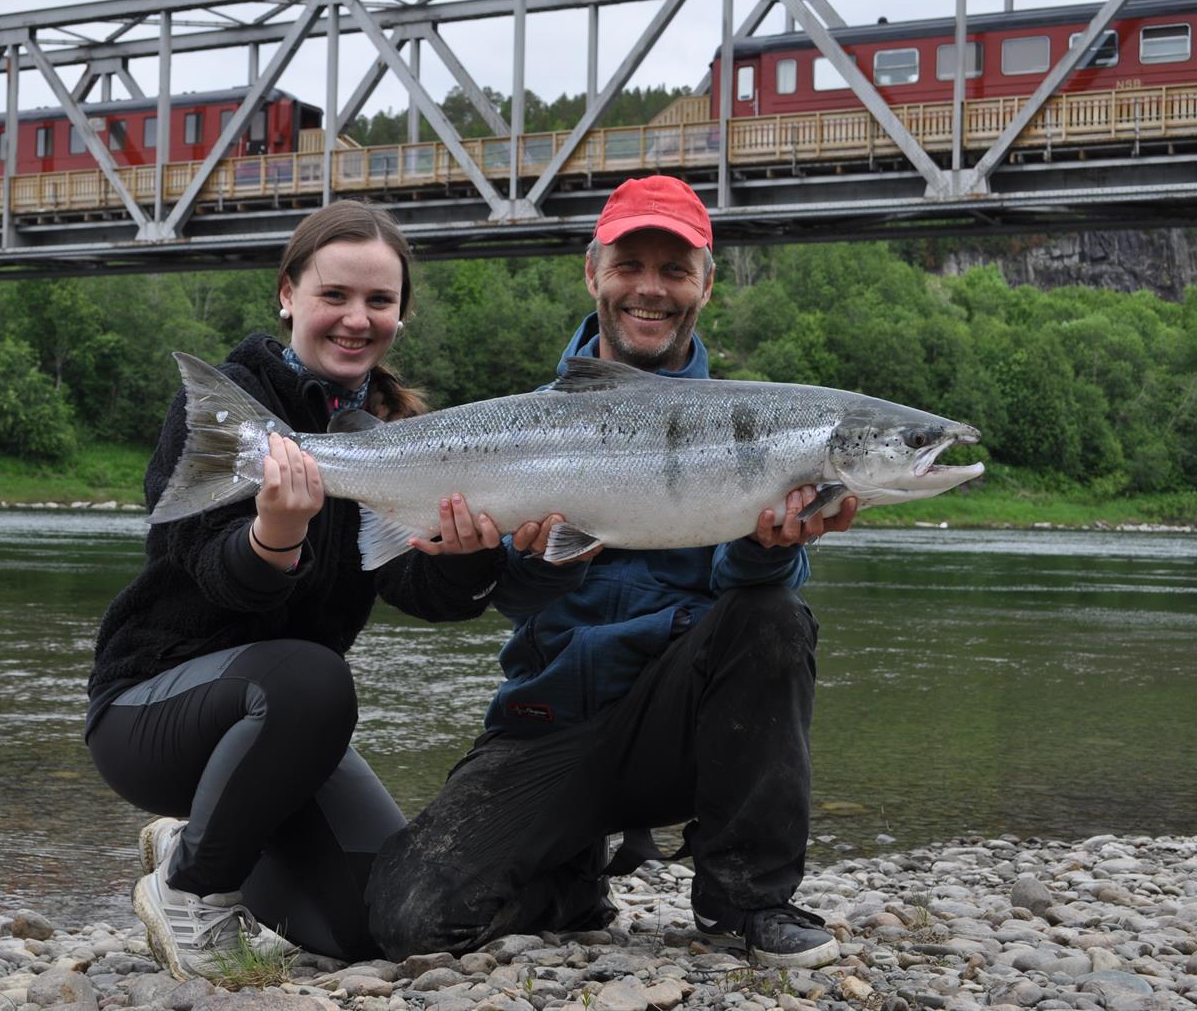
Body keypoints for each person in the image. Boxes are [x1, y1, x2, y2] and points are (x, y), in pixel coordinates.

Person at [369, 175, 860, 969]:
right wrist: (524, 561)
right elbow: (514, 603)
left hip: (681, 728)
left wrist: (769, 547)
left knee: (774, 617)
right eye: (632, 263)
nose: (650, 289)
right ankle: (571, 885)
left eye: (675, 269)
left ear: (705, 283)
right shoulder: (525, 423)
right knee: (411, 917)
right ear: (592, 271)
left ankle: (748, 902)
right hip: (551, 719)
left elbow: (744, 627)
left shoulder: (751, 427)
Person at [86, 200, 513, 979]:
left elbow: (426, 589)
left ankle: (195, 838)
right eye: (335, 295)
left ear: (401, 316)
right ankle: (190, 889)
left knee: (375, 925)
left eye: (379, 301)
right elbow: (203, 567)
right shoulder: (223, 410)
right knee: (313, 676)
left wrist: (466, 555)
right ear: (288, 293)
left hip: (282, 739)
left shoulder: (383, 437)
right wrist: (273, 535)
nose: (357, 319)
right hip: (151, 711)